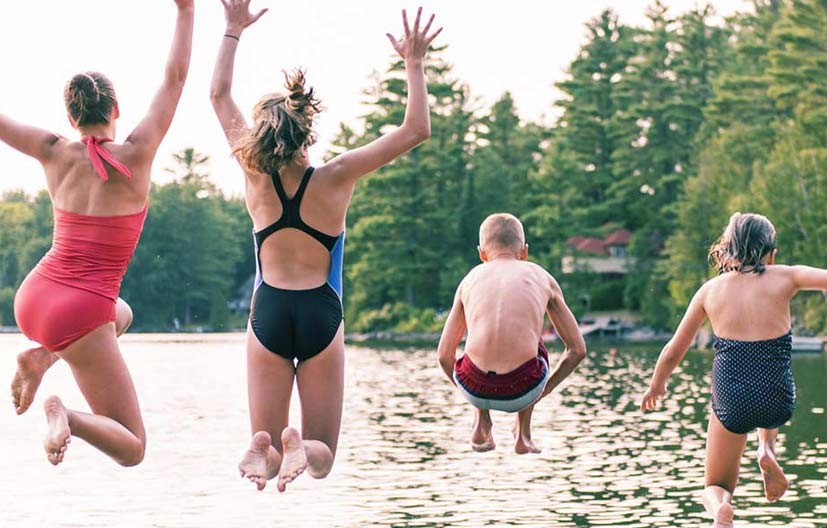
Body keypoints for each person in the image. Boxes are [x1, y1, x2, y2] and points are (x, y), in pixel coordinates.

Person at [0, 1, 195, 467]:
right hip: (79, 310)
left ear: (71, 117)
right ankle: (65, 415)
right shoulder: (137, 152)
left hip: (34, 296)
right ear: (115, 108)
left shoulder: (53, 150)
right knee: (133, 448)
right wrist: (185, 9)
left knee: (125, 313)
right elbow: (174, 79)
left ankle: (39, 359)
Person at [210, 1, 441, 492]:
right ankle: (298, 445)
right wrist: (414, 64)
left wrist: (232, 29)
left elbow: (217, 94)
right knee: (322, 457)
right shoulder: (337, 176)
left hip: (268, 310)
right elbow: (416, 130)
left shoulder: (253, 174)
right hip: (321, 313)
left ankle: (264, 446)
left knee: (268, 457)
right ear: (306, 131)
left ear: (264, 136)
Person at [640, 212, 827, 528]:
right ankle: (766, 448)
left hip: (731, 402)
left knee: (715, 484)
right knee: (766, 387)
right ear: (772, 253)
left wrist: (657, 386)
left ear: (728, 250)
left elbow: (672, 351)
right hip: (777, 399)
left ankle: (721, 508)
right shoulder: (786, 277)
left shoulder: (710, 291)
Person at [436, 213, 587, 454]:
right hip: (524, 391)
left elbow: (444, 356)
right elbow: (577, 350)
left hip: (472, 387)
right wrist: (543, 391)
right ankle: (523, 434)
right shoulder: (542, 277)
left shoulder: (469, 280)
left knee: (474, 341)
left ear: (482, 253)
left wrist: (469, 392)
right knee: (533, 339)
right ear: (524, 251)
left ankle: (481, 419)